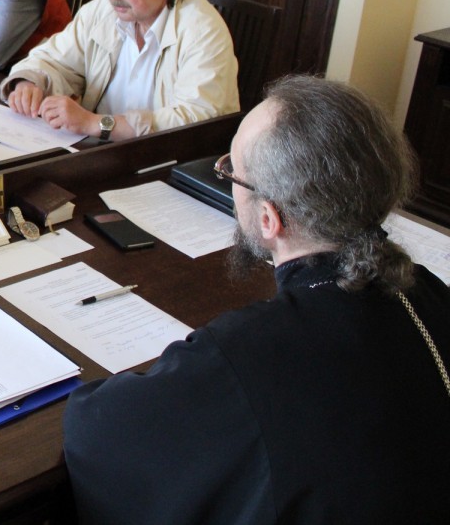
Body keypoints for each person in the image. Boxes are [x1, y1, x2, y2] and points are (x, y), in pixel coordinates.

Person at [63, 75, 450, 524]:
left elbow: (99, 428)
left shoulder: (243, 350)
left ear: (269, 218)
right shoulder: (425, 289)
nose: (228, 181)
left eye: (231, 172)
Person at [1, 0, 238, 141]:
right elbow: (53, 58)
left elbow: (195, 121)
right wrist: (28, 83)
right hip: (100, 148)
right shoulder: (103, 10)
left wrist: (95, 123)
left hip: (167, 159)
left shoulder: (203, 30)